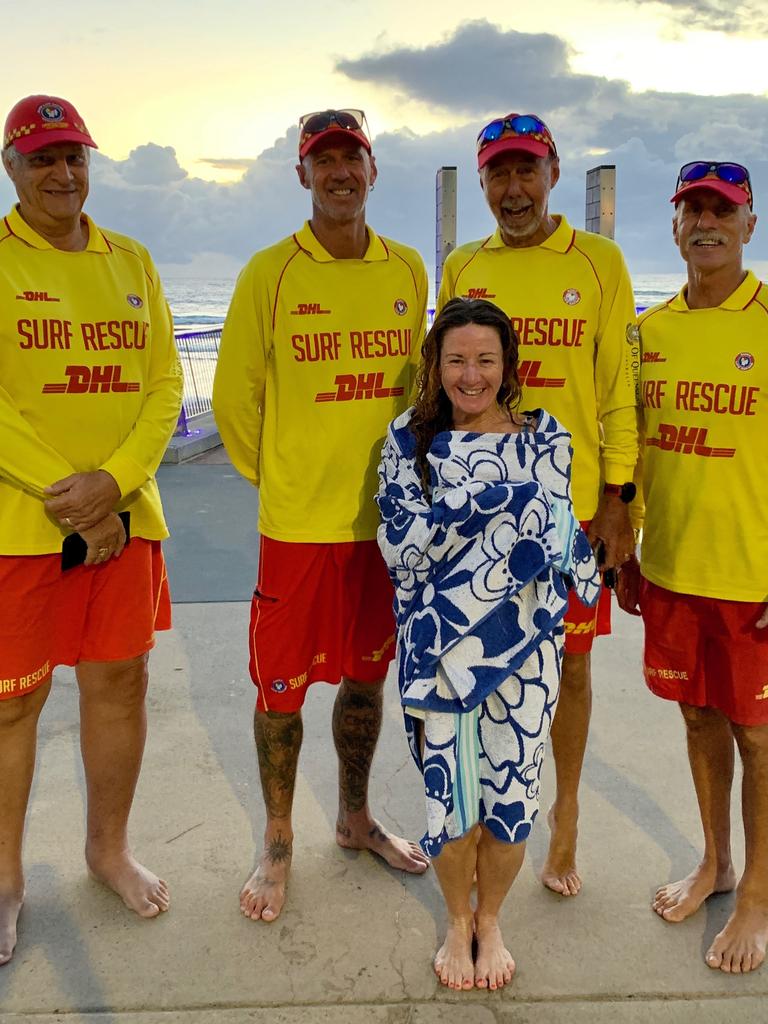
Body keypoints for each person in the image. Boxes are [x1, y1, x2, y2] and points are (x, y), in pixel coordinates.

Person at [212, 108, 430, 924]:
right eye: (324, 159)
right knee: (281, 690)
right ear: (303, 175)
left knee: (367, 679)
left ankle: (355, 815)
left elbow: (422, 389)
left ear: (374, 172)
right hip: (297, 529)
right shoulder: (270, 272)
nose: (340, 172)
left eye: (353, 158)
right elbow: (236, 401)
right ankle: (276, 841)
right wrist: (283, 480)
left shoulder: (407, 269)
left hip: (386, 528)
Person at [0, 94, 182, 965]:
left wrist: (115, 485)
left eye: (73, 156)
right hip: (18, 528)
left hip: (125, 521)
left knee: (119, 688)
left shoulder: (133, 260)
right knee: (13, 706)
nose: (62, 173)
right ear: (11, 168)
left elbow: (162, 385)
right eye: (42, 159)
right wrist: (68, 494)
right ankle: (3, 878)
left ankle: (106, 849)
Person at [437, 114, 638, 896]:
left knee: (570, 671)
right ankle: (491, 812)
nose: (513, 189)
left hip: (568, 514)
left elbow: (620, 389)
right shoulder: (462, 265)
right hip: (478, 510)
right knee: (481, 669)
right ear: (482, 181)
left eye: (527, 171)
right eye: (498, 173)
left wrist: (617, 498)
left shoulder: (599, 263)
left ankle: (566, 815)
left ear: (553, 174)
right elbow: (446, 377)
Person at [377, 298, 599, 989]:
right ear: (434, 365)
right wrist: (507, 520)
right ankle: (455, 919)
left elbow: (558, 537)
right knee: (449, 800)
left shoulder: (546, 437)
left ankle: (491, 917)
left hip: (526, 651)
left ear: (508, 368)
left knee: (511, 796)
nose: (469, 376)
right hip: (437, 650)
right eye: (455, 360)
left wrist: (474, 525)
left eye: (484, 360)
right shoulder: (406, 442)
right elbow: (402, 547)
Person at [618, 160, 768, 974]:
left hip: (753, 577)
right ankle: (717, 863)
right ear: (674, 227)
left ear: (750, 225)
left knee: (759, 736)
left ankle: (758, 899)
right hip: (674, 568)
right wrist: (631, 542)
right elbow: (636, 452)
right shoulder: (652, 332)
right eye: (692, 210)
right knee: (699, 720)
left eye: (723, 210)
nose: (706, 222)